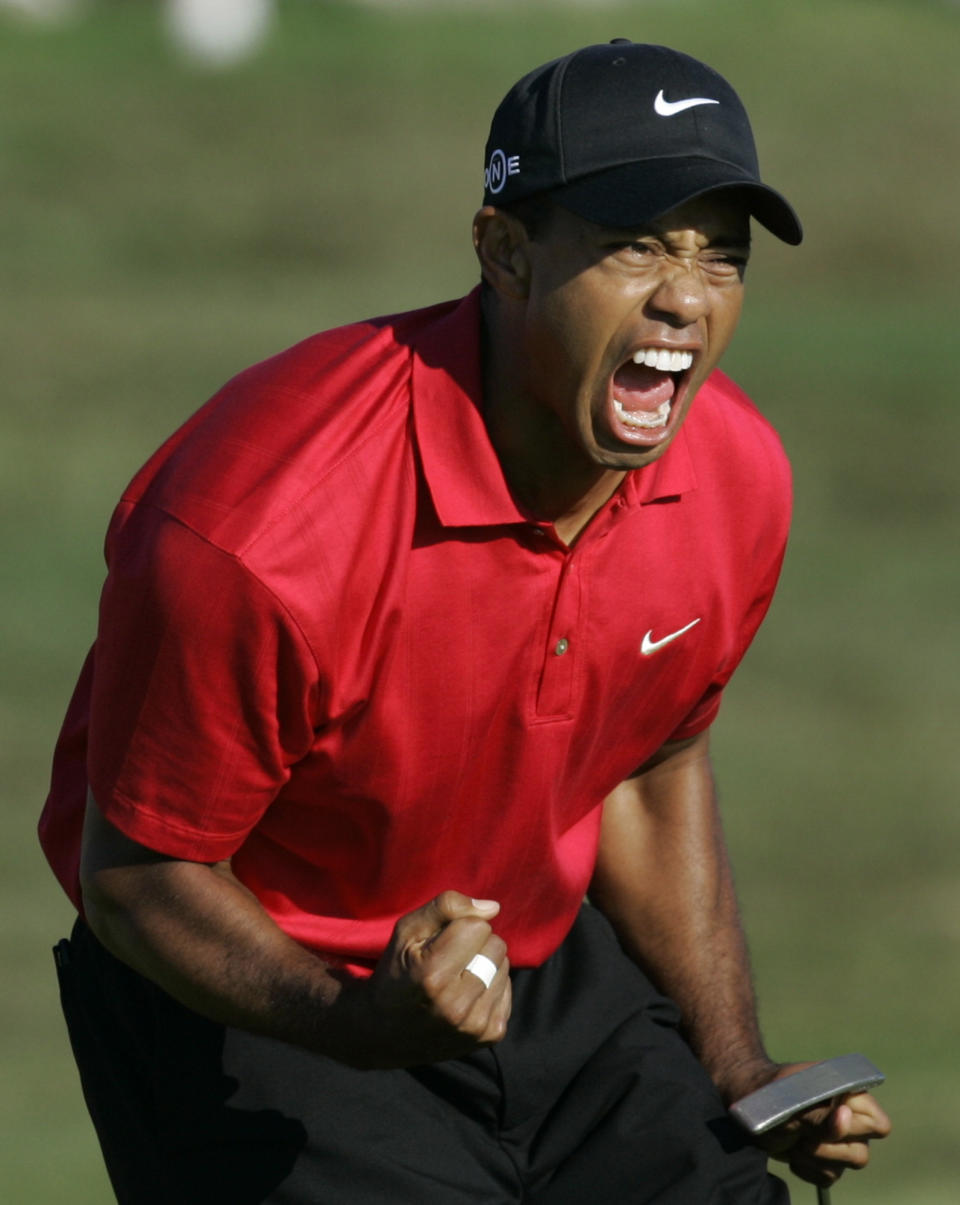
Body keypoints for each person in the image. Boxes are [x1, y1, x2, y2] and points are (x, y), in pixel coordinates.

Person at [40, 40, 890, 1204]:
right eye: (635, 243)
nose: (686, 297)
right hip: (257, 995)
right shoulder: (264, 528)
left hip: (542, 974)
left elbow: (650, 765)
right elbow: (136, 879)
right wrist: (361, 1022)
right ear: (503, 251)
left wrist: (737, 1064)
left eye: (719, 256)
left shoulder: (736, 474)